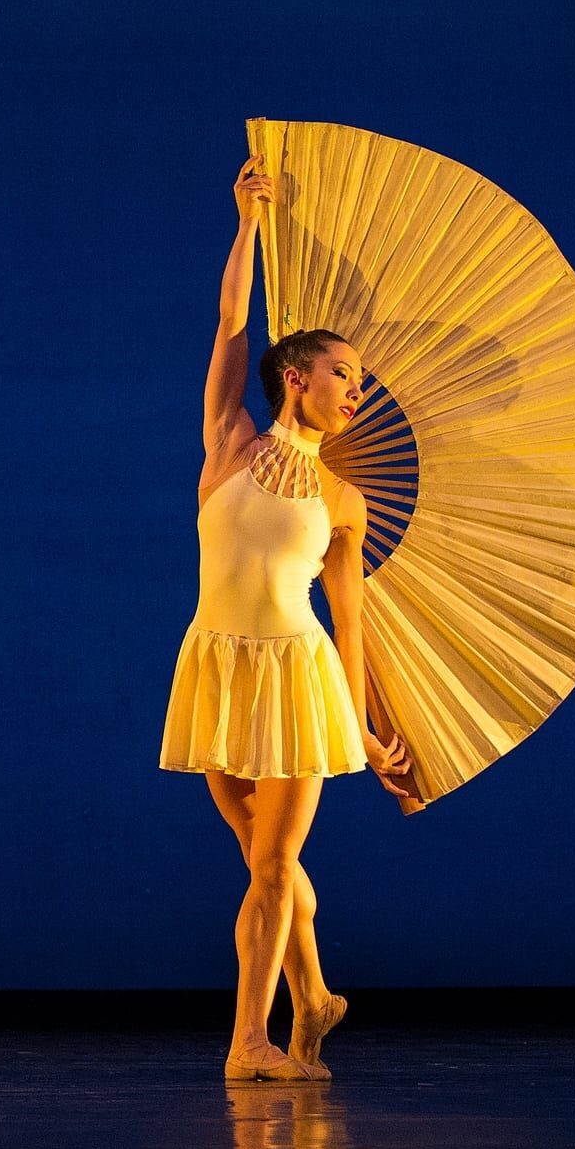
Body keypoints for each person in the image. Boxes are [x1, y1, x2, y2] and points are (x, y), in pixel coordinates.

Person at [161, 155, 410, 1083]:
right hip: (218, 664)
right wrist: (247, 223)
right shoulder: (228, 439)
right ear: (295, 375)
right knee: (258, 855)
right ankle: (310, 998)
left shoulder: (345, 499)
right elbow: (230, 323)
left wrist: (361, 727)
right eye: (343, 372)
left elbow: (350, 623)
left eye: (360, 379)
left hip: (298, 678)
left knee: (270, 867)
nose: (355, 390)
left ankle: (247, 1043)